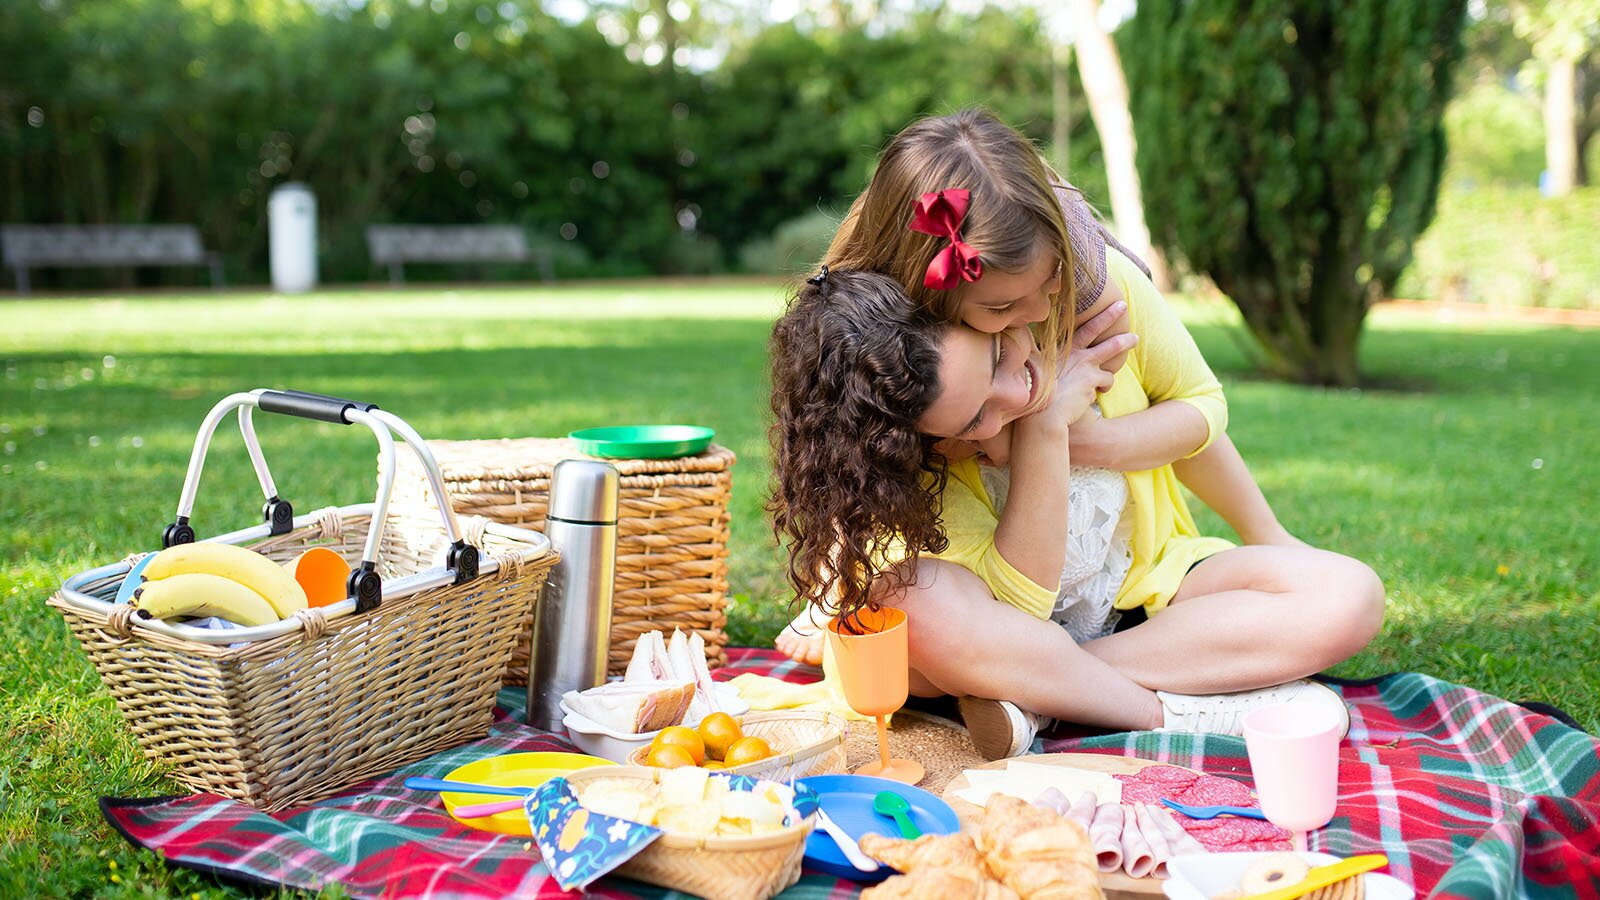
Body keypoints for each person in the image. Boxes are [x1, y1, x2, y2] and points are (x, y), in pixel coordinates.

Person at [768, 269, 1384, 759]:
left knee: (1348, 593)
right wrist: (1044, 429)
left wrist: (1267, 533)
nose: (1015, 395)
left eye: (997, 361)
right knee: (910, 603)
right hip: (1001, 630)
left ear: (983, 309)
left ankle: (1042, 699)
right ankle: (1167, 711)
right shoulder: (922, 430)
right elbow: (1021, 613)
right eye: (973, 420)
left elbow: (1195, 421)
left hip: (1144, 598)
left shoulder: (1092, 317)